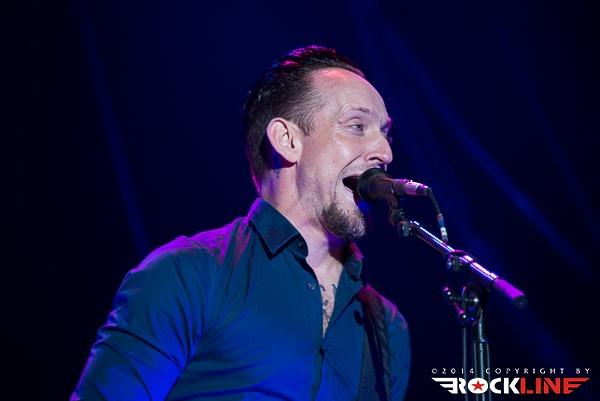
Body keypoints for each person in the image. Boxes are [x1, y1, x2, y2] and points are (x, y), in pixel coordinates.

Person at [71, 45, 410, 401]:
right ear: (288, 140)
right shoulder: (189, 274)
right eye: (357, 126)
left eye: (385, 134)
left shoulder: (387, 330)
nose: (385, 152)